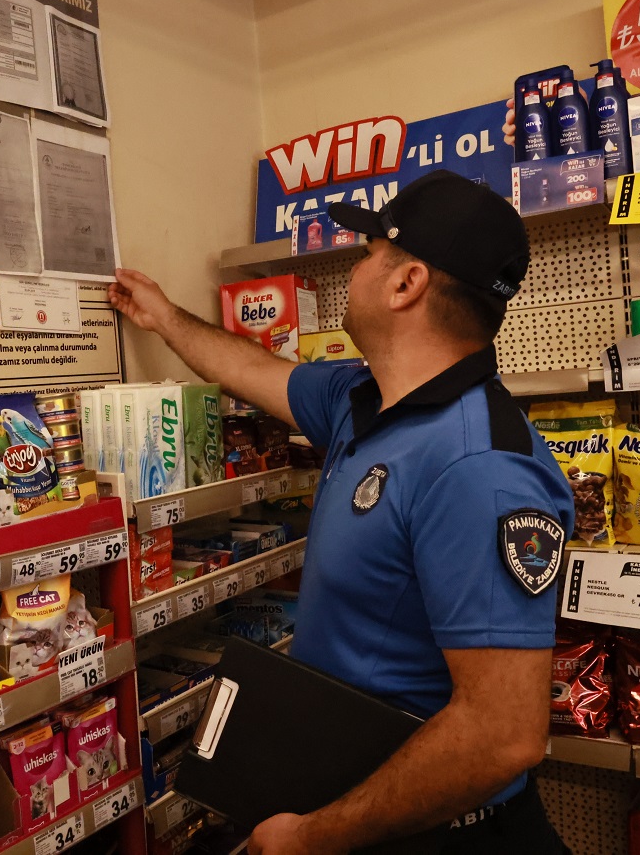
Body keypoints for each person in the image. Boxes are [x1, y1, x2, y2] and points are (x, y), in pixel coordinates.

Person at [108, 170, 575, 855]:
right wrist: (164, 316)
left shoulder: (481, 469)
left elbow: (502, 737)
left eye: (366, 253)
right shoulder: (362, 399)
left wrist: (310, 839)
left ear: (406, 283)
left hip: (435, 834)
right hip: (359, 800)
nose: (352, 271)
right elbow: (253, 372)